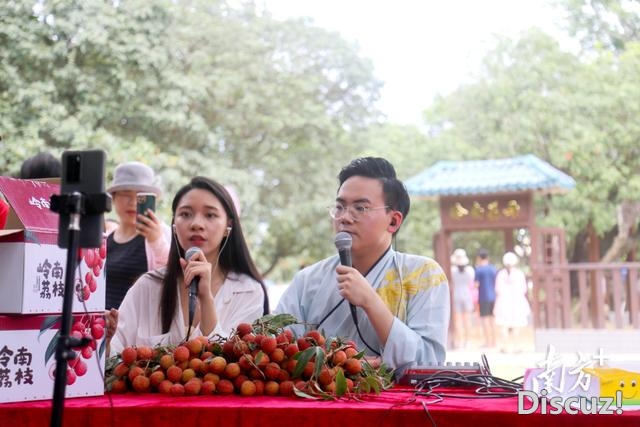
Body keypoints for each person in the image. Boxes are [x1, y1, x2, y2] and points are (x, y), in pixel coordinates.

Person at [275, 157, 450, 372]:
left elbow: (429, 362)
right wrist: (341, 365)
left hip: (399, 404)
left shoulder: (422, 274)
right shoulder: (308, 280)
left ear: (394, 221)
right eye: (339, 207)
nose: (344, 218)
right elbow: (278, 351)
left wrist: (370, 301)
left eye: (361, 208)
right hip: (319, 400)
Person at [106, 176, 268, 355]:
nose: (196, 224)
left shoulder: (247, 291)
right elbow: (115, 356)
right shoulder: (148, 286)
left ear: (228, 226)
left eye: (210, 215)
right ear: (174, 225)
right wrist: (104, 342)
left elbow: (235, 365)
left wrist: (206, 299)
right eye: (185, 214)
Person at [105, 161, 171, 309]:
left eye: (141, 197)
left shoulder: (162, 233)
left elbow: (173, 277)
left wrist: (156, 241)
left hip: (139, 328)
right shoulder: (106, 237)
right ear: (114, 198)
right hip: (101, 328)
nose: (133, 202)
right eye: (126, 195)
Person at [493, 251, 531, 353]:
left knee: (503, 325)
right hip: (517, 301)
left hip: (503, 301)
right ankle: (516, 347)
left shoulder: (500, 274)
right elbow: (524, 289)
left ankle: (505, 347)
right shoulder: (519, 274)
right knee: (517, 325)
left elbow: (497, 289)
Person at [449, 248, 474, 349]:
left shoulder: (452, 270)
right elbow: (470, 282)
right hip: (467, 294)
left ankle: (459, 342)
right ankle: (467, 342)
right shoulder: (470, 270)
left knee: (457, 321)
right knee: (467, 320)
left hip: (456, 295)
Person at [474, 248, 497, 348]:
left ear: (479, 258)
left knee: (485, 320)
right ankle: (494, 341)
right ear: (488, 257)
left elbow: (476, 285)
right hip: (493, 296)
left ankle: (488, 342)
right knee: (492, 320)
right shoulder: (493, 268)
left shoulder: (479, 269)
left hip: (483, 297)